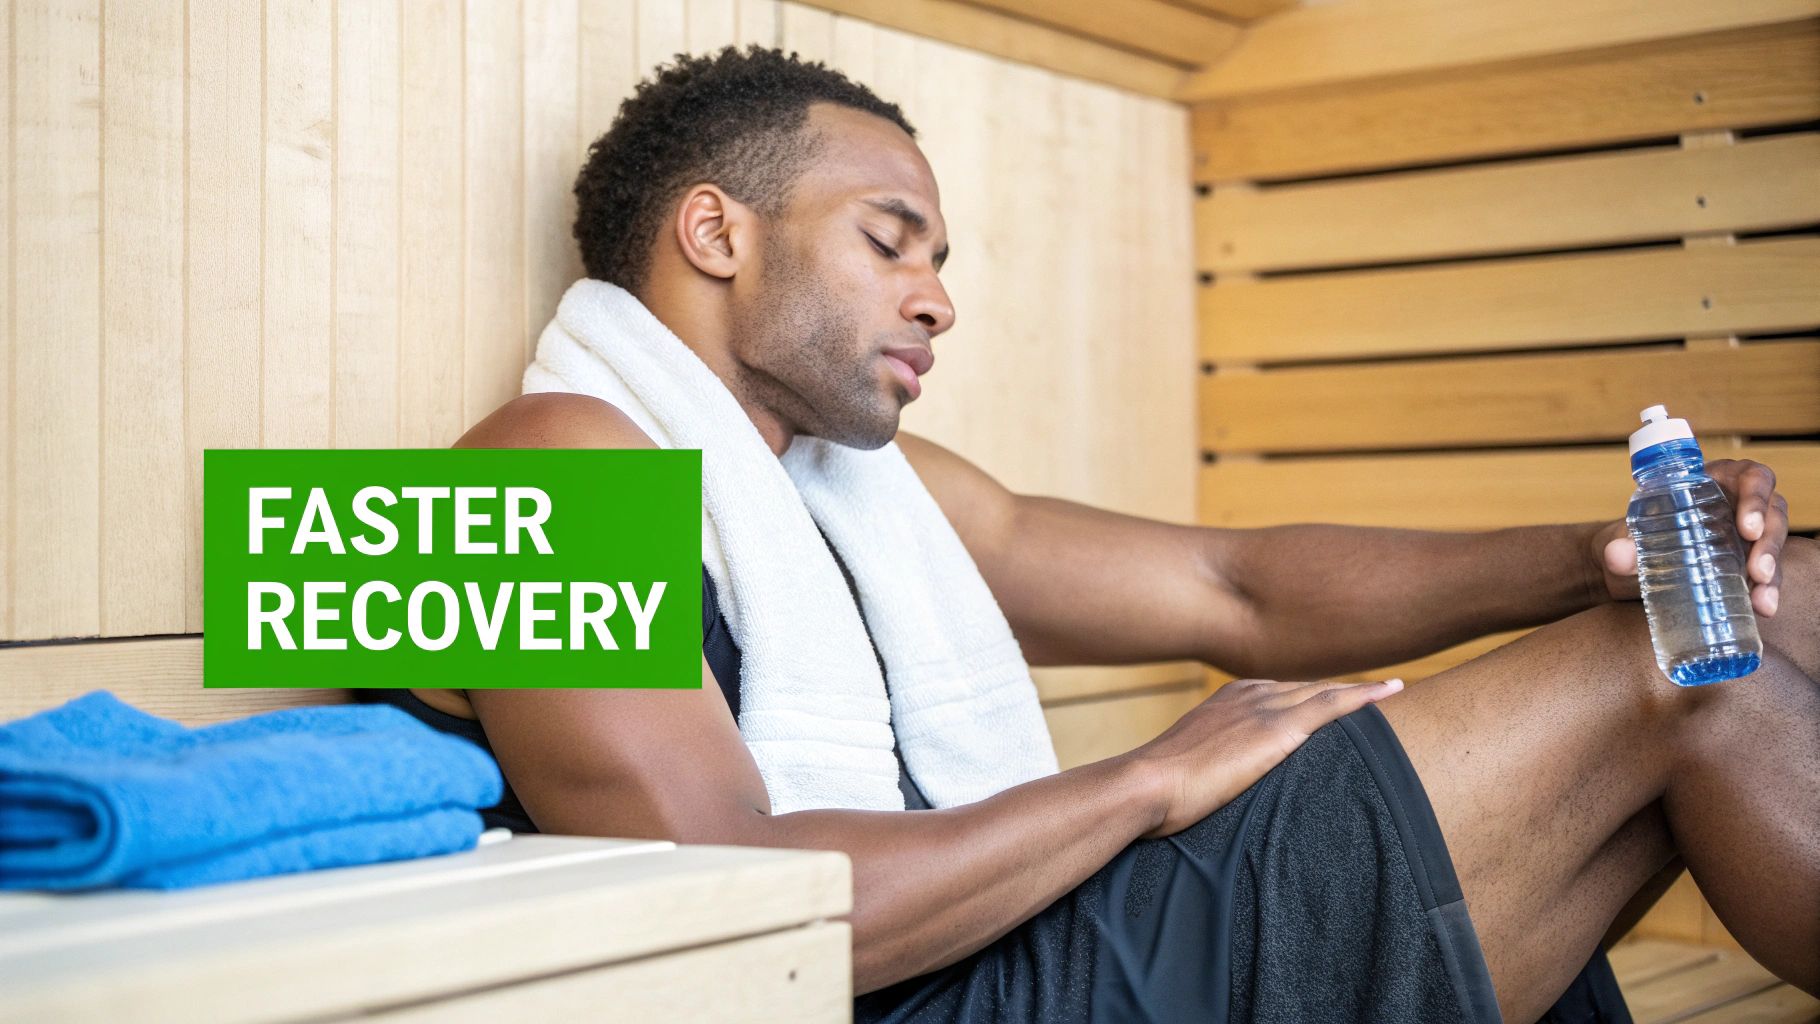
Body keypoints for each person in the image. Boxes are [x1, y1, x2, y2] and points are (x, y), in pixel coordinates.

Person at [360, 47, 1817, 1023]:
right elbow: (737, 894)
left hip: (1029, 944)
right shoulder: (527, 480)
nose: (938, 298)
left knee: (1778, 596)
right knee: (1694, 671)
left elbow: (1226, 587)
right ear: (715, 233)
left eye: (941, 261)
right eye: (890, 241)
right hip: (917, 997)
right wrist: (1151, 780)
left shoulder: (868, 498)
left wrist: (1591, 557)